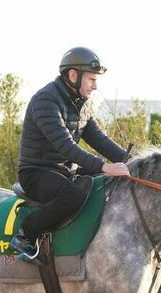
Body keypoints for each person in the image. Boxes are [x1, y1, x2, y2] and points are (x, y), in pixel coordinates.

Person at [10, 47, 132, 262]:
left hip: (63, 170)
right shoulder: (45, 100)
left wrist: (134, 161)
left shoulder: (82, 105)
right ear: (73, 76)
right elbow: (65, 146)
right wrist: (104, 166)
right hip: (36, 173)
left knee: (106, 183)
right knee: (74, 194)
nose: (95, 86)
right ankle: (25, 235)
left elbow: (99, 140)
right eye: (92, 79)